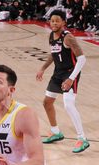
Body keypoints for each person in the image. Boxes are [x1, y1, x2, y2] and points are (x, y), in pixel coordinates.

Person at [36, 10, 89, 153]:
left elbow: (82, 59)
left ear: (64, 22)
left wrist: (71, 78)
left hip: (70, 73)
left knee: (68, 105)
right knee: (47, 102)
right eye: (52, 20)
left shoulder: (68, 38)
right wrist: (43, 68)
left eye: (57, 21)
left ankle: (82, 138)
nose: (54, 23)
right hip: (58, 73)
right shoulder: (52, 36)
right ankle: (55, 132)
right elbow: (53, 54)